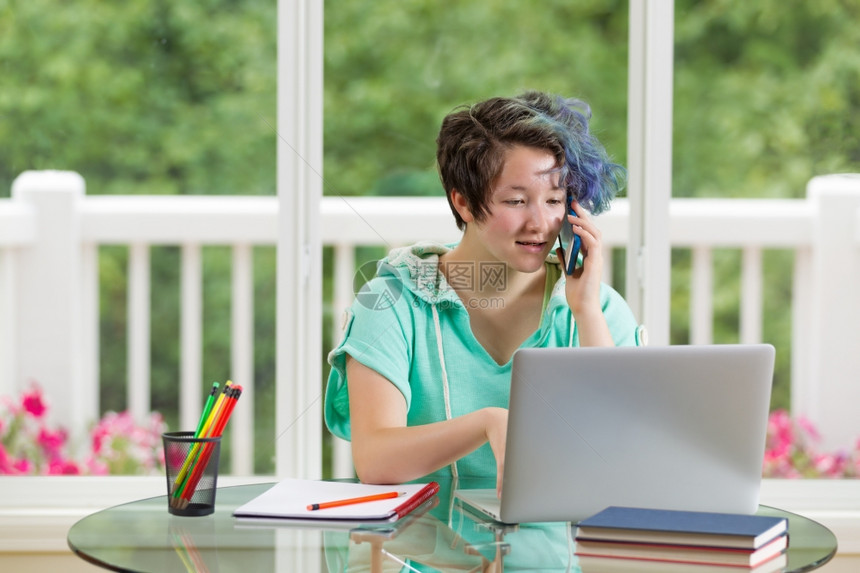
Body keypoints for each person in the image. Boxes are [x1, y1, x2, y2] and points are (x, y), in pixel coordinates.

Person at [324, 91, 645, 495]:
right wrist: (488, 423)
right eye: (516, 200)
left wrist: (587, 313)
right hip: (423, 550)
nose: (540, 223)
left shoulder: (597, 308)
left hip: (556, 551)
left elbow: (623, 454)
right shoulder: (390, 301)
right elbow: (374, 461)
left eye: (554, 200)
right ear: (463, 202)